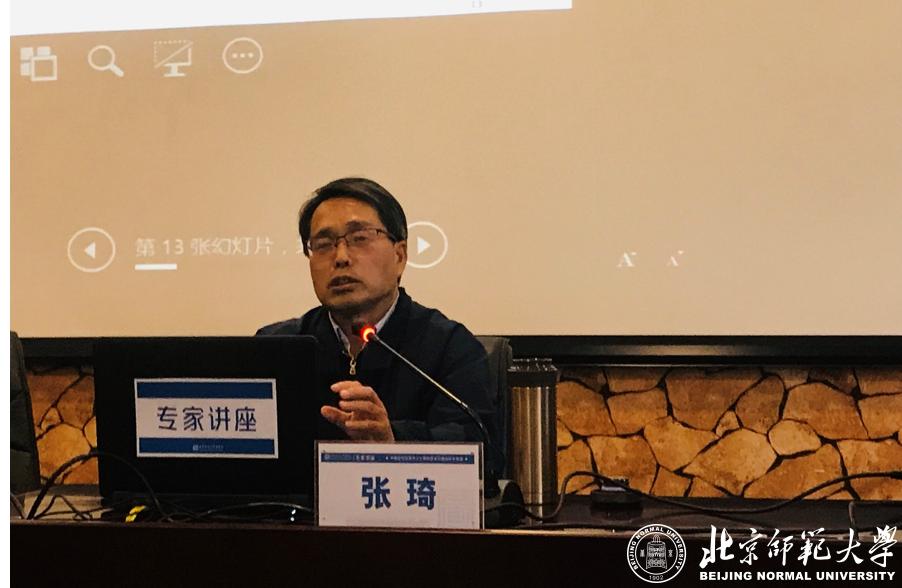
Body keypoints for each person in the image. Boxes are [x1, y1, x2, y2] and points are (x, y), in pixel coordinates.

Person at [257, 177, 497, 465]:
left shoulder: (450, 347)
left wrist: (393, 440)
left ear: (400, 256)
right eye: (323, 244)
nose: (341, 257)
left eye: (359, 238)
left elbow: (481, 449)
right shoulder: (278, 347)